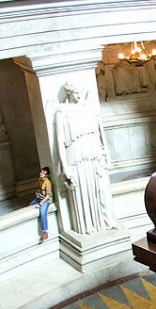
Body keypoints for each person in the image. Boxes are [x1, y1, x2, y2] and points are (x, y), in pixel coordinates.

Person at [56, 82, 117, 234]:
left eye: (81, 92)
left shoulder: (88, 109)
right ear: (69, 92)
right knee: (82, 191)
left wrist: (105, 153)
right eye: (76, 92)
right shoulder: (62, 112)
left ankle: (105, 221)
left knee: (100, 188)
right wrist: (65, 167)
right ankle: (87, 225)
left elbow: (99, 132)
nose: (79, 96)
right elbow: (59, 142)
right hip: (77, 156)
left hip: (94, 152)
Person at [29, 167, 53, 242]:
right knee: (30, 205)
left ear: (46, 175)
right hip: (40, 198)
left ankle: (45, 231)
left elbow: (48, 195)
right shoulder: (40, 179)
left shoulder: (48, 182)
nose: (41, 173)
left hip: (46, 200)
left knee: (43, 213)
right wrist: (38, 193)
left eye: (43, 173)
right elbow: (40, 189)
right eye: (41, 172)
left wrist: (40, 203)